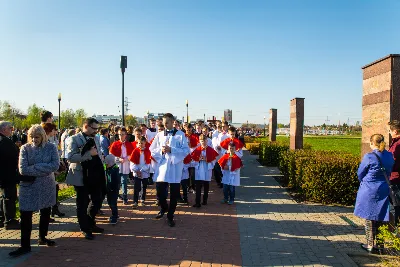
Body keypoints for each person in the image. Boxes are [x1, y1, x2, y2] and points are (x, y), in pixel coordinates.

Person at [9, 125, 59, 257]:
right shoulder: (25, 148)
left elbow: (55, 165)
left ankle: (43, 237)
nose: (34, 139)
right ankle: (25, 245)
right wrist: (44, 169)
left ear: (42, 136)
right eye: (31, 137)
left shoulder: (51, 147)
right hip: (28, 186)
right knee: (25, 215)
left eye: (36, 137)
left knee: (45, 212)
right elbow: (23, 169)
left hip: (46, 186)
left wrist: (36, 167)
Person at [66, 118, 105, 240]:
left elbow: (97, 153)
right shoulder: (74, 139)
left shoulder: (96, 138)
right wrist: (89, 154)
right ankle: (85, 228)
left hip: (94, 174)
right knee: (82, 203)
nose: (96, 131)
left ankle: (90, 221)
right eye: (94, 128)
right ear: (86, 126)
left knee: (98, 198)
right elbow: (70, 157)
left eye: (97, 129)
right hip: (80, 174)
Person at [354, 134, 394, 253]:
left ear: (372, 143)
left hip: (369, 189)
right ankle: (380, 245)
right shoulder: (389, 155)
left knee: (369, 217)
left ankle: (370, 244)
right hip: (384, 188)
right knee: (382, 216)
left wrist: (366, 181)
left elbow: (360, 173)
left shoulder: (369, 157)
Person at [150, 113, 190, 227]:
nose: (165, 124)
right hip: (162, 166)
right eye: (164, 122)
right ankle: (164, 207)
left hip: (175, 167)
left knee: (174, 193)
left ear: (173, 122)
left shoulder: (181, 135)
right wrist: (161, 151)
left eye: (167, 122)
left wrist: (171, 149)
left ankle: (170, 216)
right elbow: (152, 149)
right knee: (160, 192)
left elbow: (186, 151)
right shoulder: (159, 135)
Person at [0, 121, 20, 230]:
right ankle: (9, 220)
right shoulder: (5, 142)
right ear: (3, 129)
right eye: (9, 128)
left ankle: (3, 217)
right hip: (8, 174)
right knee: (9, 197)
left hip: (4, 174)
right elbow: (12, 157)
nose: (11, 130)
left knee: (5, 196)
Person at [191, 134, 219, 208]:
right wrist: (198, 160)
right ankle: (197, 202)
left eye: (204, 141)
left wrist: (207, 160)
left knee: (206, 186)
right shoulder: (196, 150)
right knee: (198, 187)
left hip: (207, 169)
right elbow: (193, 161)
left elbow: (214, 161)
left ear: (207, 141)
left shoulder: (210, 150)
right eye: (201, 141)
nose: (203, 142)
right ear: (199, 141)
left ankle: (205, 200)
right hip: (199, 170)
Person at [109, 127, 134, 205]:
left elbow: (132, 154)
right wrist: (118, 159)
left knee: (124, 182)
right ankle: (116, 195)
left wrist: (127, 158)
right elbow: (111, 155)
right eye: (120, 134)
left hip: (125, 165)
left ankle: (125, 197)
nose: (121, 136)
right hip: (117, 166)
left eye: (123, 134)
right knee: (117, 182)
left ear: (126, 135)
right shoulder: (115, 144)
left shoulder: (128, 144)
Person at [130, 136, 151, 207]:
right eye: (139, 143)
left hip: (144, 172)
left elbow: (148, 163)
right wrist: (137, 170)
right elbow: (132, 162)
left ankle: (142, 199)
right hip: (137, 172)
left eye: (142, 143)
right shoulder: (135, 151)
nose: (140, 145)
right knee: (136, 187)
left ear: (145, 143)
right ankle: (135, 201)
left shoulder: (148, 151)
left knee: (144, 186)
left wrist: (142, 170)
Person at [388, 120, 400, 225]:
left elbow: (392, 162)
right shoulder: (395, 143)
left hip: (395, 179)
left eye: (390, 131)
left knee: (395, 207)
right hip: (395, 178)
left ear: (395, 131)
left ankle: (396, 232)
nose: (389, 133)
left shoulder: (397, 145)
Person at [104, 154, 120, 225]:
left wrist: (113, 188)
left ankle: (115, 216)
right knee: (110, 202)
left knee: (113, 203)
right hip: (109, 189)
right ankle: (115, 214)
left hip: (113, 189)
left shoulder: (114, 170)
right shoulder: (108, 168)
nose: (106, 165)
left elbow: (115, 181)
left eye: (107, 163)